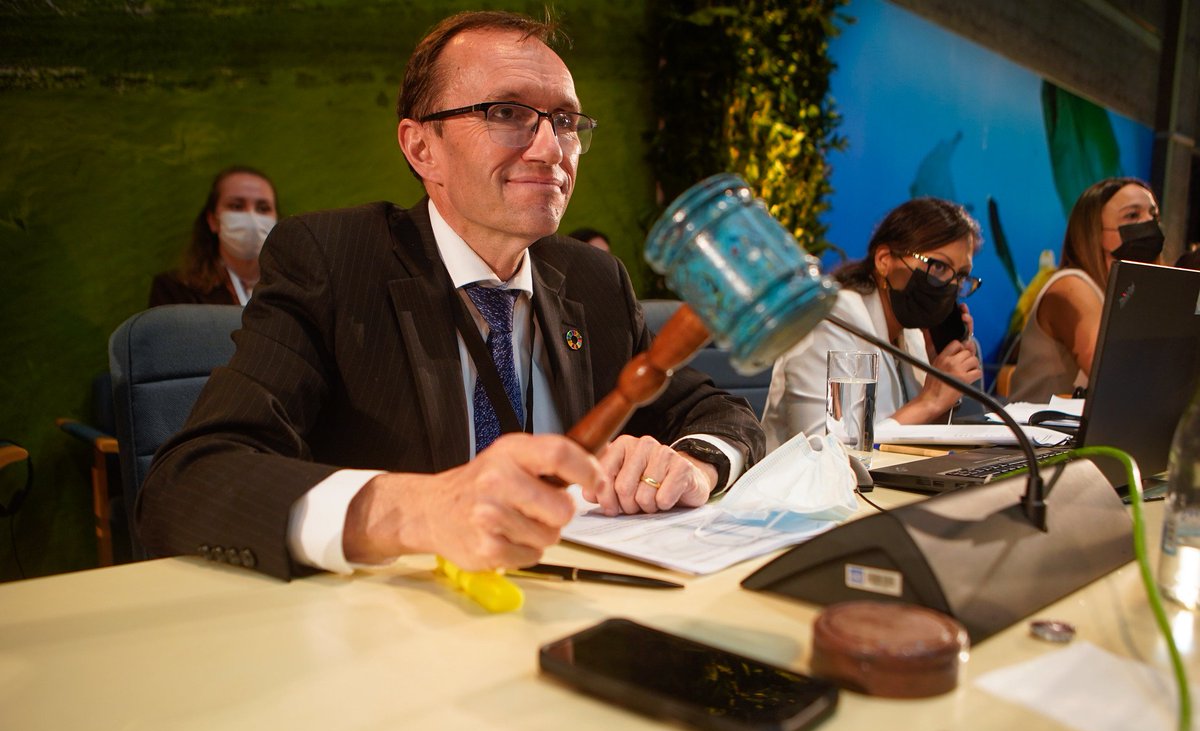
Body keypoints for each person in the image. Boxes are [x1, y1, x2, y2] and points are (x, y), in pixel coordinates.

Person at [137, 11, 764, 580]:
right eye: (508, 113)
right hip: (395, 635)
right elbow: (187, 482)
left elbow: (722, 417)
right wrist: (420, 510)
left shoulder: (593, 280)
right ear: (421, 147)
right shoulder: (332, 260)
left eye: (566, 122)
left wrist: (691, 463)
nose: (551, 150)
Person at [760, 197, 984, 451]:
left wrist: (940, 382)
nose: (952, 285)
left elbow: (911, 438)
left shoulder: (911, 333)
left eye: (962, 275)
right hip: (803, 487)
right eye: (939, 266)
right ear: (884, 259)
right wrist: (929, 400)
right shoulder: (832, 318)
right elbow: (823, 451)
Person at [1008, 177, 1162, 402]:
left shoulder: (1132, 295)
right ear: (1096, 232)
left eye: (1154, 215)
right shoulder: (1071, 285)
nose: (1149, 223)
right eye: (1132, 216)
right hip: (1040, 434)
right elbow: (1112, 372)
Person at [149, 166, 279, 307]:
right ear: (213, 220)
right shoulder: (175, 290)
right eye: (236, 206)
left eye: (263, 208)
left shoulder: (295, 289)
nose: (252, 218)